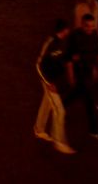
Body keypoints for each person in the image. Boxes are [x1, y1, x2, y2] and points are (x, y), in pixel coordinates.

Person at [66, 14, 98, 142]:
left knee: (76, 94)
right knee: (90, 102)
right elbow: (68, 59)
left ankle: (60, 107)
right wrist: (71, 77)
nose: (89, 29)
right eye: (87, 26)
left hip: (88, 71)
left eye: (92, 26)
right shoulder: (75, 37)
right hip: (79, 72)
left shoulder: (94, 34)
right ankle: (94, 130)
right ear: (81, 24)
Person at [34, 19, 75, 154]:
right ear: (63, 30)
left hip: (54, 82)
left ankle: (39, 129)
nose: (68, 32)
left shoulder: (61, 43)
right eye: (66, 30)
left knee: (46, 103)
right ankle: (59, 141)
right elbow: (39, 65)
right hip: (49, 82)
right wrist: (48, 82)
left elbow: (58, 60)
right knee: (59, 111)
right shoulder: (50, 42)